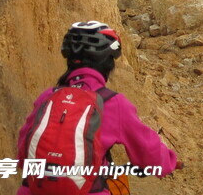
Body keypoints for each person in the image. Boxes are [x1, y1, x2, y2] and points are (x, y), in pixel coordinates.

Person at [16, 21, 181, 194]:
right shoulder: (114, 103)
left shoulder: (48, 96)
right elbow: (149, 152)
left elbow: (22, 153)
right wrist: (169, 163)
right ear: (108, 63)